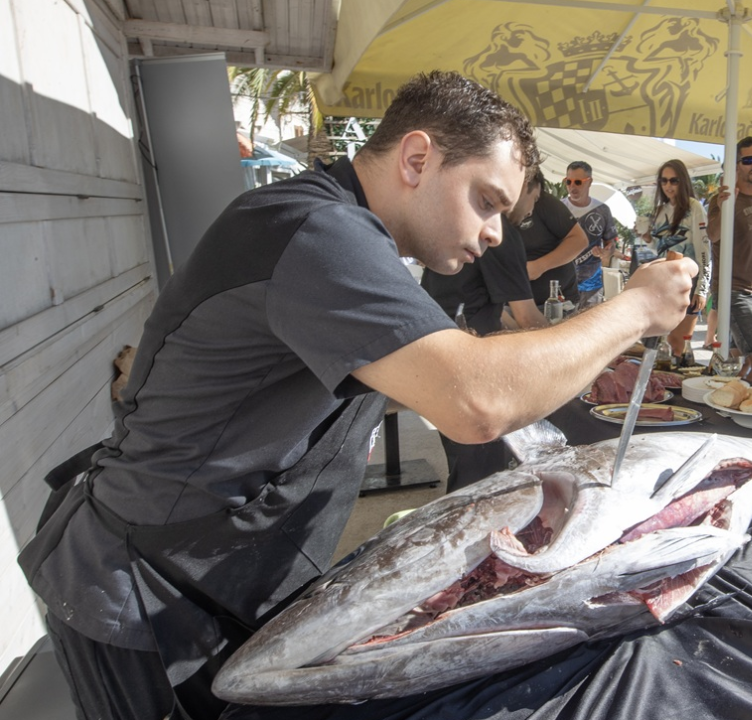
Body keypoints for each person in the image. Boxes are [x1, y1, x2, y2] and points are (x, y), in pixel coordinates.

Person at [18, 71, 697, 720]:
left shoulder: (332, 226)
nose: (495, 233)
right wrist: (636, 309)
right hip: (144, 597)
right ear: (417, 158)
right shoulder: (317, 231)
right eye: (486, 201)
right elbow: (475, 403)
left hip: (214, 581)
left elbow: (380, 385)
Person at [422, 170, 549, 490]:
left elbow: (488, 308)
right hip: (471, 371)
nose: (533, 207)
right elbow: (526, 318)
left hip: (439, 357)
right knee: (481, 481)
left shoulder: (464, 219)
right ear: (524, 188)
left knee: (466, 470)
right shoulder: (502, 231)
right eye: (536, 197)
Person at [707, 137, 752, 384]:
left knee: (737, 361)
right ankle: (751, 413)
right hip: (734, 291)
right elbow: (713, 235)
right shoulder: (722, 198)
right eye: (748, 160)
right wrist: (729, 204)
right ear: (735, 165)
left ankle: (724, 402)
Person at [641, 159, 712, 358]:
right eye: (664, 181)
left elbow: (704, 251)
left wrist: (702, 290)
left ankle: (682, 385)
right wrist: (647, 239)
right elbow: (661, 248)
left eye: (674, 181)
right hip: (662, 285)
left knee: (679, 345)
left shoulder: (694, 207)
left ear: (683, 182)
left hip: (688, 284)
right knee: (664, 345)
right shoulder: (661, 210)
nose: (668, 186)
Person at [523, 174, 589, 309]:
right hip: (513, 303)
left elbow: (579, 240)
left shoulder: (544, 202)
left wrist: (539, 266)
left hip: (557, 302)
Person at [563, 160, 618, 308]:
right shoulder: (559, 208)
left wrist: (607, 252)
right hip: (563, 284)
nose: (572, 187)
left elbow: (611, 242)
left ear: (589, 182)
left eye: (578, 182)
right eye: (569, 182)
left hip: (592, 286)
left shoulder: (602, 210)